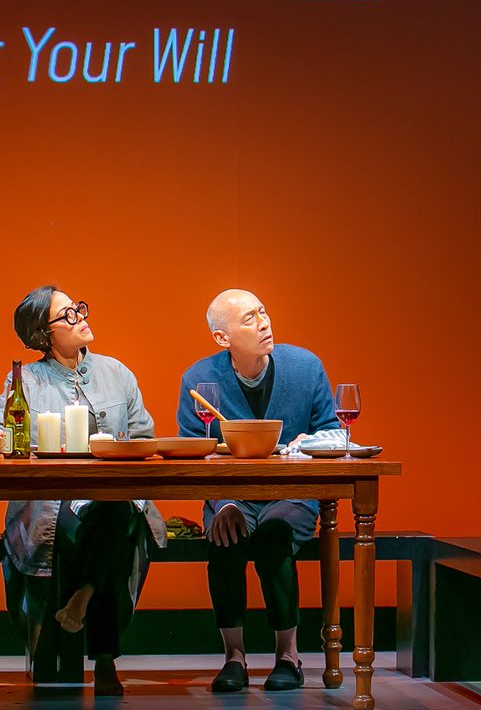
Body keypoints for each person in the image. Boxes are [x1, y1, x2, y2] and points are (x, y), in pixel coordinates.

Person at [0, 287, 165, 697]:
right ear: (44, 336)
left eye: (79, 308)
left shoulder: (118, 372)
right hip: (54, 501)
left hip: (115, 497)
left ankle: (82, 601)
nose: (80, 316)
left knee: (116, 513)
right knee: (102, 529)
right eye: (67, 315)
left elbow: (143, 436)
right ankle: (104, 661)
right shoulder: (27, 379)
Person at [174, 289, 339, 693]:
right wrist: (223, 500)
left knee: (273, 535)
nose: (264, 323)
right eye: (249, 319)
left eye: (263, 312)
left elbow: (333, 432)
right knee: (225, 538)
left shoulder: (305, 367)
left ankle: (289, 656)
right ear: (222, 338)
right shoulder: (199, 379)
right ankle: (234, 658)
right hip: (229, 495)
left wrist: (305, 446)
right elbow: (193, 450)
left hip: (293, 493)